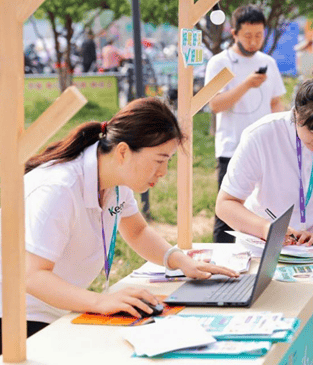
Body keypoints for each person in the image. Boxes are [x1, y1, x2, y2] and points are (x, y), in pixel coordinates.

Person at [0, 97, 238, 354]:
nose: (163, 172)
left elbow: (137, 231)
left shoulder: (116, 180)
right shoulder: (58, 189)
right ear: (123, 151)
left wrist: (180, 261)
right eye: (159, 160)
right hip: (17, 322)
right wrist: (100, 301)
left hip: (57, 310)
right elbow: (32, 276)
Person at [216, 64, 313, 365]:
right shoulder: (262, 135)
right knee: (271, 351)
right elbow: (226, 203)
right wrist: (269, 229)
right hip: (264, 259)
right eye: (312, 131)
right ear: (296, 114)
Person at [205, 4, 286, 244]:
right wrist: (246, 85)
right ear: (234, 33)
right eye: (248, 36)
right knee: (228, 212)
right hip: (232, 148)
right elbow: (215, 105)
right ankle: (221, 269)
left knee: (263, 210)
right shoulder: (220, 63)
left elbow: (276, 103)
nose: (253, 41)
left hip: (266, 150)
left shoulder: (268, 62)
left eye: (259, 36)